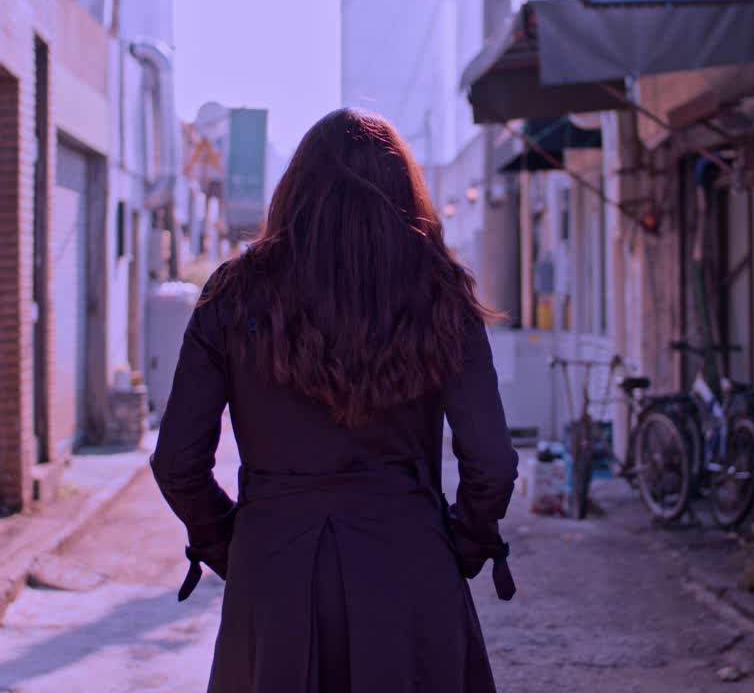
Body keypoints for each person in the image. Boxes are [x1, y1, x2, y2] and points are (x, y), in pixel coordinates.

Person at [150, 108, 518, 692]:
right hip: (409, 563)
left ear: (294, 190)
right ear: (404, 192)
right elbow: (493, 462)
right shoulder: (438, 291)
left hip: (273, 571)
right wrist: (461, 545)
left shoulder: (232, 294)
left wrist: (235, 545)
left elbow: (175, 462)